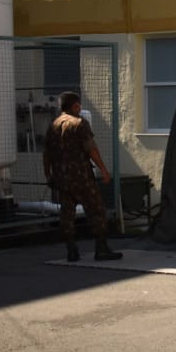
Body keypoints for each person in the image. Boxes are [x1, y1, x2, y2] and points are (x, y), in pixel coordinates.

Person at [42, 91, 123, 262]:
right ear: (76, 106)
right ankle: (101, 249)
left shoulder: (53, 125)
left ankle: (71, 250)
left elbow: (47, 154)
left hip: (61, 179)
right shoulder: (79, 123)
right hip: (81, 177)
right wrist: (103, 170)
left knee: (67, 214)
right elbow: (91, 149)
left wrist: (48, 175)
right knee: (96, 210)